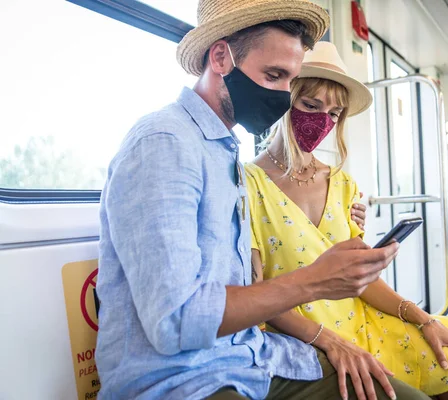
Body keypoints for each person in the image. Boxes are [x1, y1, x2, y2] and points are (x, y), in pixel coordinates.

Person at [95, 1, 430, 399]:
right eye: (273, 75)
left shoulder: (224, 155)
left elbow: (246, 282)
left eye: (289, 81)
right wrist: (315, 280)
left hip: (252, 356)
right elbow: (175, 321)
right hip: (184, 379)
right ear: (221, 57)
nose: (282, 96)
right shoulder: (165, 144)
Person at [246, 42, 448, 400]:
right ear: (286, 100)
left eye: (334, 113)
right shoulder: (248, 185)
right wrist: (329, 340)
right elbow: (256, 292)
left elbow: (361, 283)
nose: (322, 122)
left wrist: (422, 318)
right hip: (300, 332)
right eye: (310, 106)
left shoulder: (343, 184)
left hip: (360, 317)